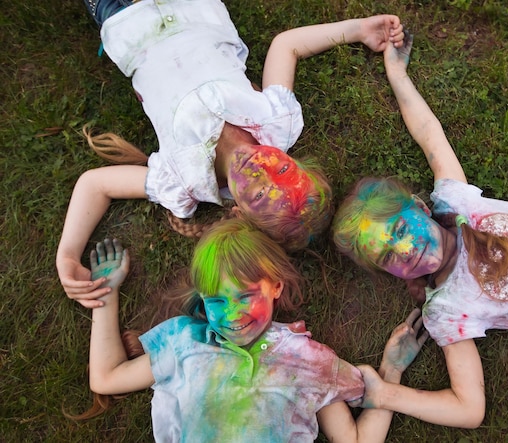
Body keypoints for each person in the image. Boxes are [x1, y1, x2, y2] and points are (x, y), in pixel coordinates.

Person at [331, 35, 508, 427]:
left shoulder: (456, 202)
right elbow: (469, 409)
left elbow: (428, 133)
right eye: (387, 256)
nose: (403, 249)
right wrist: (386, 392)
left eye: (401, 227)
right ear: (388, 273)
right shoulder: (446, 311)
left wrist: (396, 73)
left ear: (421, 208)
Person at [58, 0, 407, 307]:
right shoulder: (276, 122)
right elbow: (286, 47)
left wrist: (69, 253)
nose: (261, 170)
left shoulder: (184, 181)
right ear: (293, 161)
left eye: (259, 192)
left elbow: (96, 185)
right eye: (283, 172)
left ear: (238, 210)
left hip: (125, 23)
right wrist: (358, 29)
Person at [82, 219, 427, 442]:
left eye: (246, 295)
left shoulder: (309, 361)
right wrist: (106, 295)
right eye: (216, 301)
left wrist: (391, 371)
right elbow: (107, 378)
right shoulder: (185, 340)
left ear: (275, 287)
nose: (231, 314)